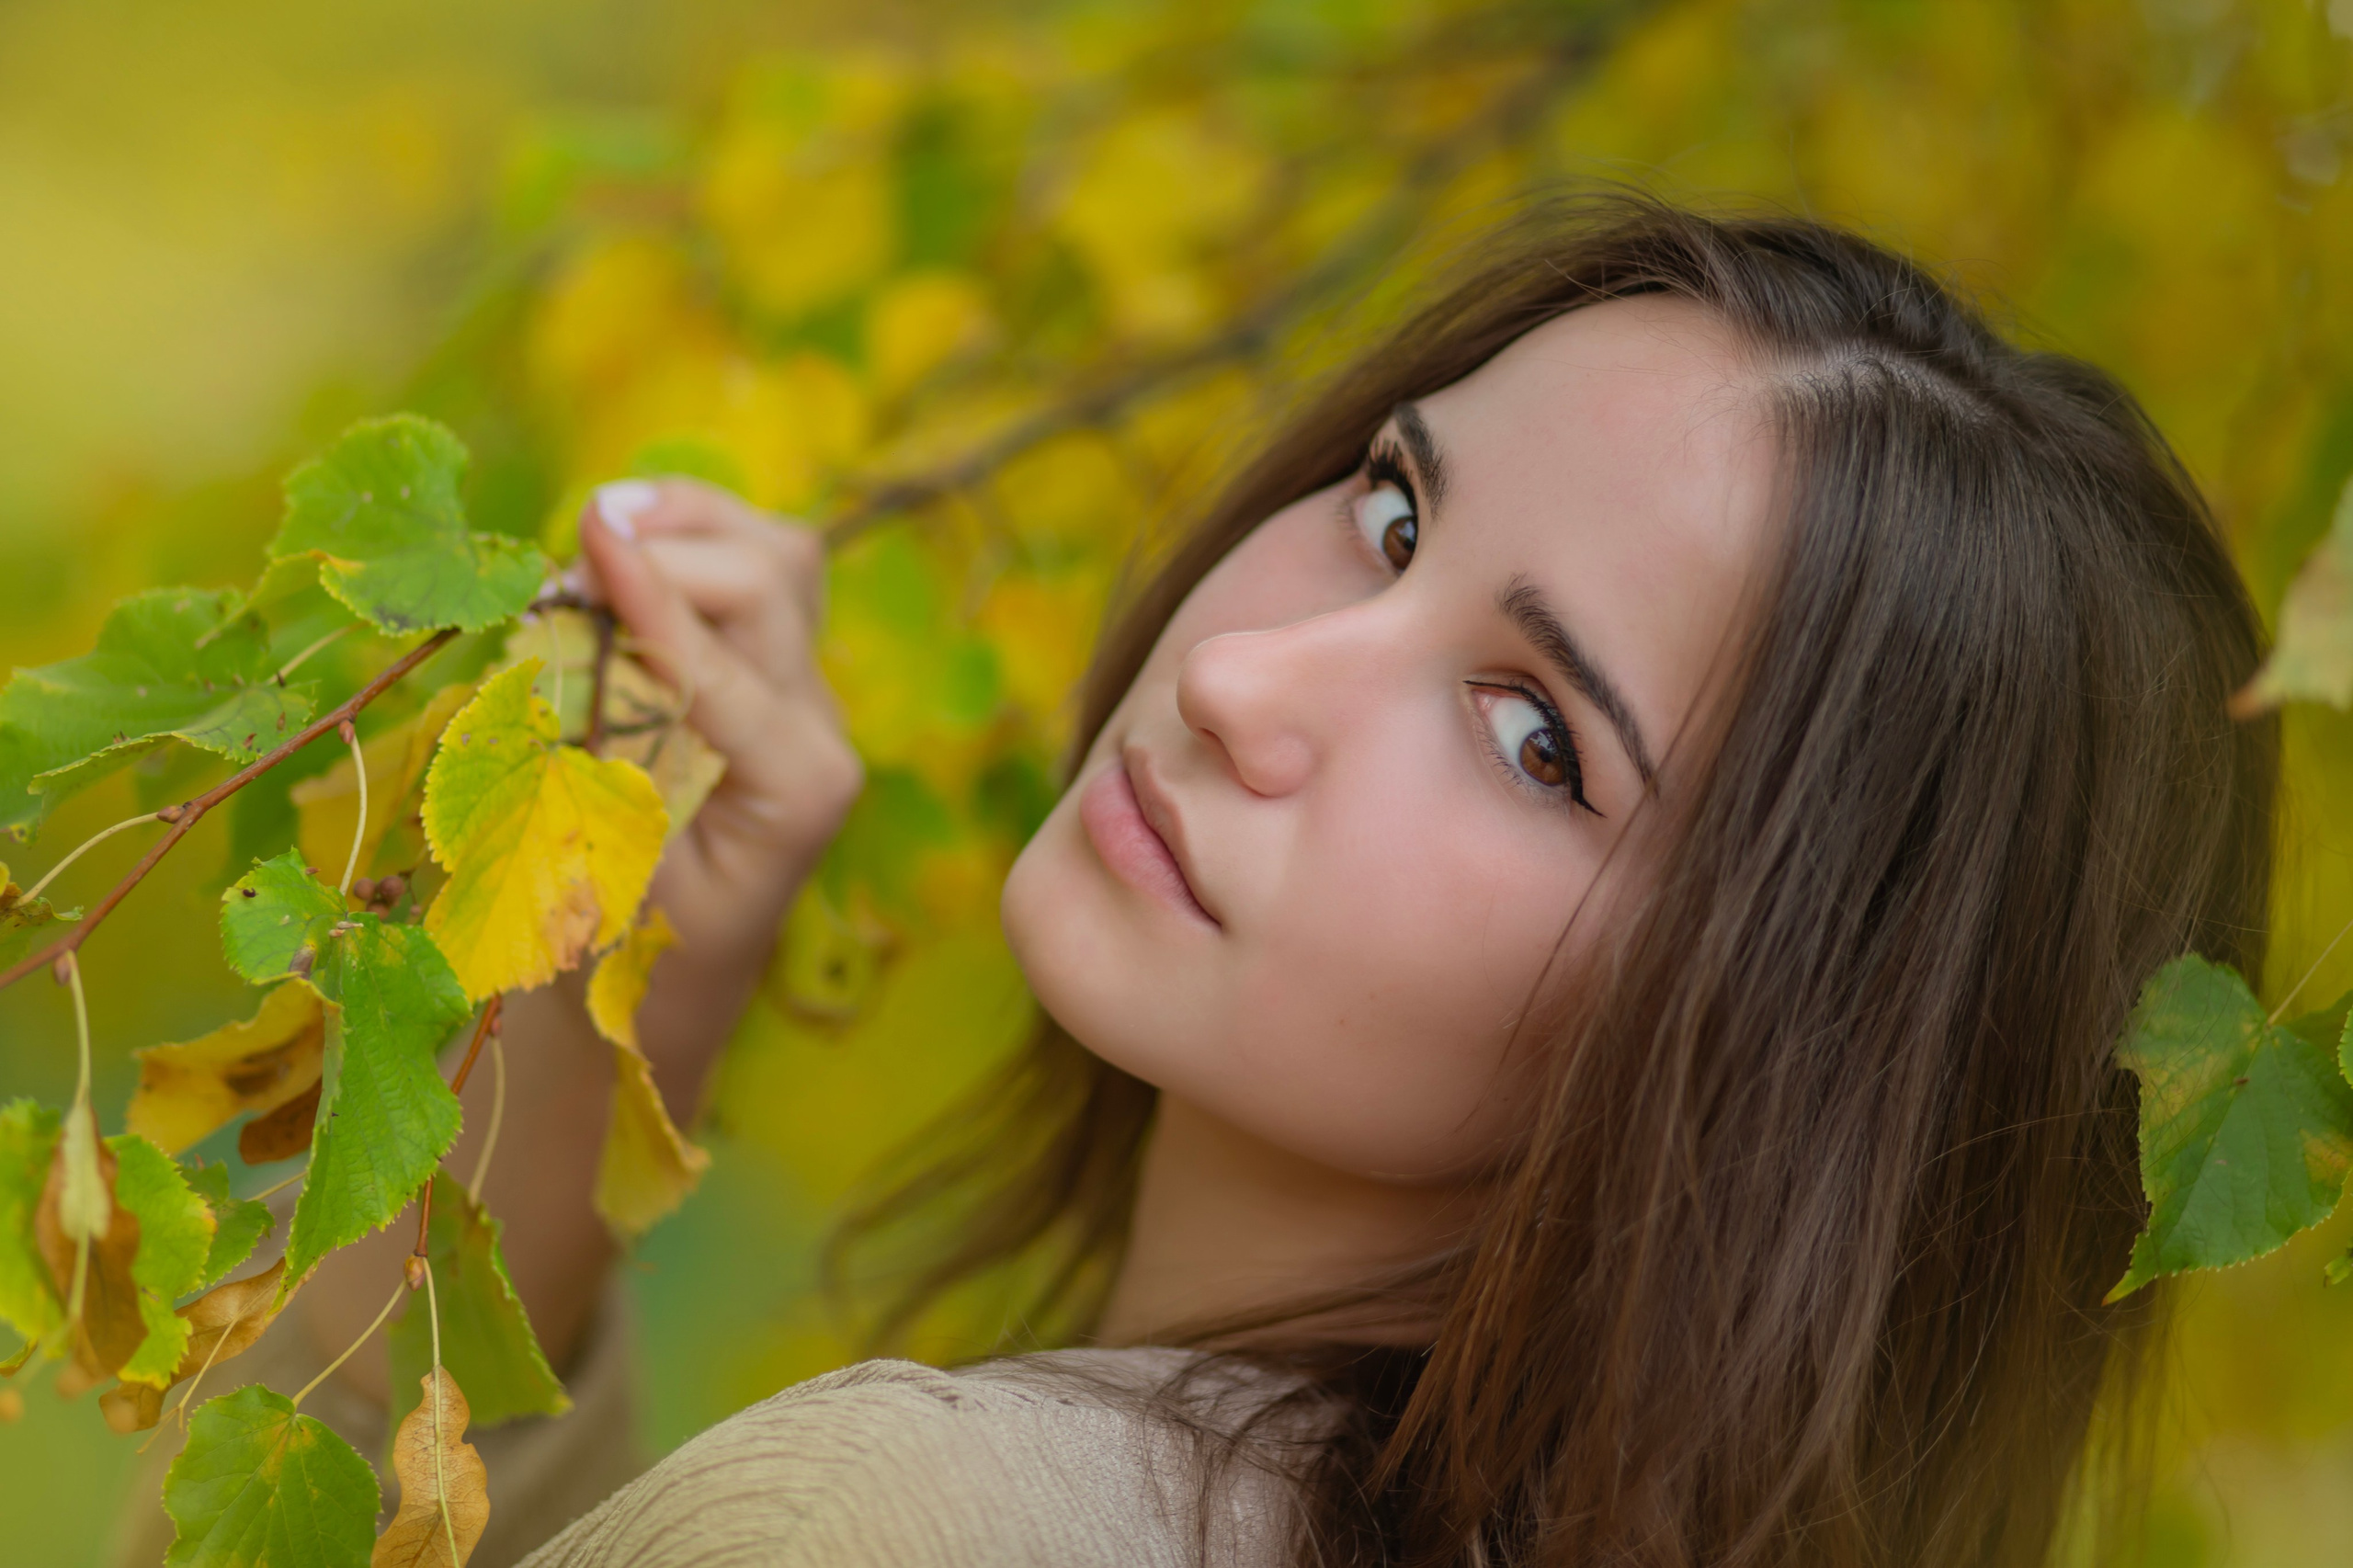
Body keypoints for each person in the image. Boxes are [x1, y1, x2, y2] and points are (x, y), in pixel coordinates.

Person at [113, 196, 2276, 1568]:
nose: (1243, 672)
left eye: (1538, 738)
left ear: (1797, 1072)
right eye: (1392, 513)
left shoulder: (919, 1519)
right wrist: (622, 995)